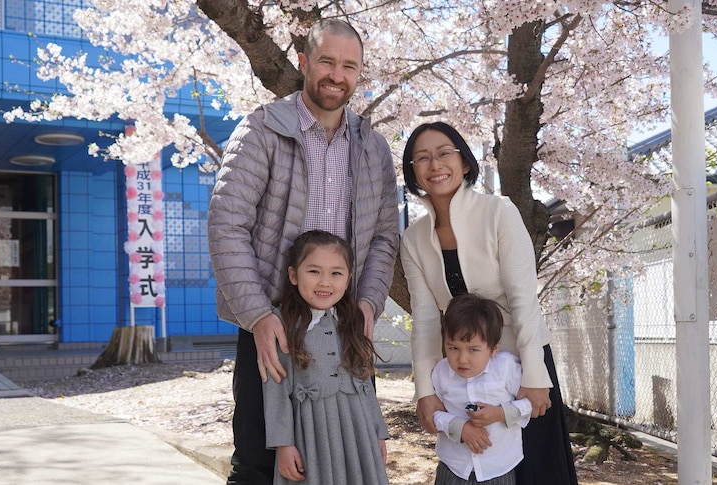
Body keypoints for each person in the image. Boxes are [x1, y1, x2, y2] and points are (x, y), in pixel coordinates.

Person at [208, 18, 399, 485]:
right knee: (257, 459)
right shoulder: (262, 130)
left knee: (349, 457)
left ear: (360, 72)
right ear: (304, 62)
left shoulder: (373, 148)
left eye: (349, 66)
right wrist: (257, 315)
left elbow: (383, 239)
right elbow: (226, 223)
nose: (337, 75)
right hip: (272, 321)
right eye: (327, 62)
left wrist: (369, 303)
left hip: (346, 326)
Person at [400, 121, 578, 484]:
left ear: (464, 162)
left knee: (538, 472)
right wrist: (425, 391)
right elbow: (425, 318)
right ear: (413, 172)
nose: (435, 165)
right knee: (473, 465)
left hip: (520, 356)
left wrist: (533, 373)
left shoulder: (500, 212)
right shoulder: (413, 238)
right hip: (463, 367)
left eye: (444, 153)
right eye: (422, 158)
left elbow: (523, 295)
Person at [263, 230, 390, 485]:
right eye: (314, 271)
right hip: (312, 432)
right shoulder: (282, 324)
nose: (325, 282)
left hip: (358, 429)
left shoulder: (353, 321)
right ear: (293, 275)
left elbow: (365, 384)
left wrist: (378, 432)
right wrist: (283, 444)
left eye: (336, 273)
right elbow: (275, 388)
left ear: (348, 278)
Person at [431, 293, 532, 485]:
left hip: (498, 469)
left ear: (494, 348)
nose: (462, 359)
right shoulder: (440, 372)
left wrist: (500, 413)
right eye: (453, 348)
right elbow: (433, 413)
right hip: (453, 468)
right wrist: (458, 427)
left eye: (473, 350)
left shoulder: (507, 368)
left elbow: (530, 405)